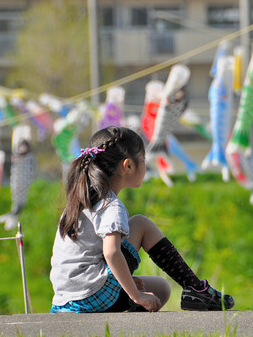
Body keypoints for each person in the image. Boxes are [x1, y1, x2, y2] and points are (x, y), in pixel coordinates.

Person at [50, 126, 234, 313]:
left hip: (65, 301)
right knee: (141, 224)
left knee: (161, 288)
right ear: (128, 165)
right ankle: (196, 288)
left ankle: (126, 325)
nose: (146, 165)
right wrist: (136, 295)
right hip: (93, 294)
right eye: (143, 160)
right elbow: (112, 253)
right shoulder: (110, 205)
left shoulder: (78, 202)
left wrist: (127, 283)